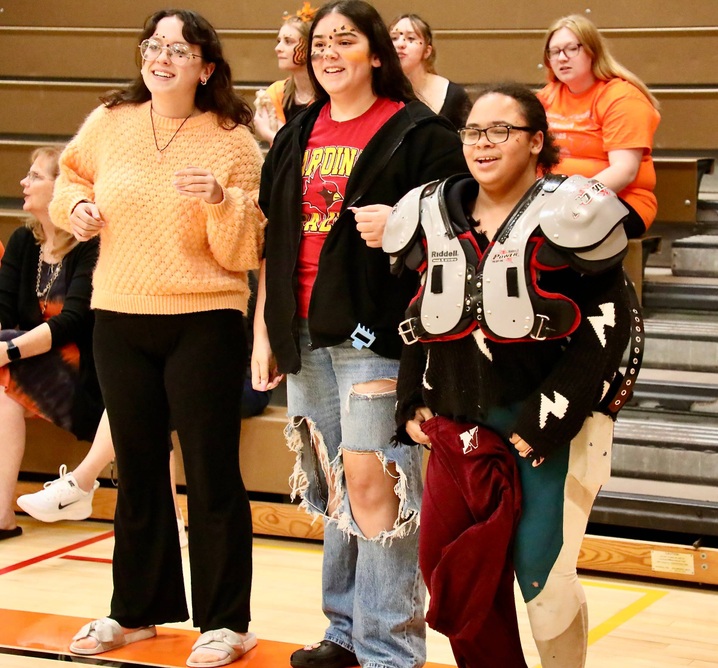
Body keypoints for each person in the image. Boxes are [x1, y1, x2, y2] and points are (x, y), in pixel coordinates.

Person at [387, 83, 632, 668]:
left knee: (543, 583)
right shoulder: (429, 211)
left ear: (536, 141)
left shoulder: (576, 211)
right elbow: (421, 313)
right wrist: (410, 397)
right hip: (458, 424)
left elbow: (612, 324)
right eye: (473, 131)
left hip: (549, 428)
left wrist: (551, 414)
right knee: (456, 575)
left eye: (501, 131)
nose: (482, 143)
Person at [49, 9, 265, 667]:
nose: (161, 57)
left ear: (206, 65)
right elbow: (70, 177)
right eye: (154, 45)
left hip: (204, 319)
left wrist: (221, 202)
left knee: (209, 471)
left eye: (178, 48)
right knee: (138, 470)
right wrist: (75, 209)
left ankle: (227, 621)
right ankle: (136, 610)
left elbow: (244, 252)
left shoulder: (233, 140)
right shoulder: (110, 121)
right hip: (119, 314)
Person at [253, 1, 466, 666]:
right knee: (336, 485)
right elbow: (275, 240)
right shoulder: (297, 132)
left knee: (379, 485)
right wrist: (264, 332)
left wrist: (406, 220)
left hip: (377, 335)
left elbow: (466, 218)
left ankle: (390, 649)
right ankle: (344, 635)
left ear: (376, 53)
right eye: (320, 43)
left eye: (345, 40)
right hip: (302, 334)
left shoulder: (418, 132)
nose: (329, 52)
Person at [0, 146, 102, 542]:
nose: (24, 183)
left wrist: (9, 350)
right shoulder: (24, 242)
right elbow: (4, 311)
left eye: (36, 176)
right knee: (4, 392)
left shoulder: (90, 245)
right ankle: (2, 519)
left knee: (5, 380)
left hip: (83, 368)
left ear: (64, 190)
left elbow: (74, 323)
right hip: (29, 359)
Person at [537, 14, 660, 238]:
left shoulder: (622, 98)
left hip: (619, 201)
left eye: (571, 49)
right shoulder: (545, 98)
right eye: (554, 52)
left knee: (547, 234)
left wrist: (567, 201)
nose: (562, 58)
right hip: (550, 199)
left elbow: (624, 171)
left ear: (592, 52)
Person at [389, 14, 471, 129]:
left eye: (411, 38)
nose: (400, 44)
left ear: (427, 51)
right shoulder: (377, 92)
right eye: (394, 38)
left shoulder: (454, 95)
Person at [253, 2, 318, 146]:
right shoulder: (276, 92)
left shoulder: (329, 96)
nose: (278, 48)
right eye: (279, 41)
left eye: (288, 42)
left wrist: (268, 134)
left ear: (310, 47)